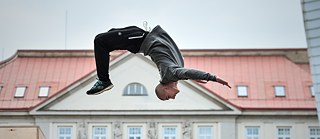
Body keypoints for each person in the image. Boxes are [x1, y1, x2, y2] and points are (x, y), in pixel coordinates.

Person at [86, 25, 231, 100]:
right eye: (168, 98)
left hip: (139, 39)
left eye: (167, 97)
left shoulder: (169, 74)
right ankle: (104, 79)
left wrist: (210, 78)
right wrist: (210, 77)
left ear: (165, 88)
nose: (172, 98)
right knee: (104, 39)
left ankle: (104, 81)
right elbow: (185, 73)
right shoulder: (173, 72)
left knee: (101, 40)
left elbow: (184, 72)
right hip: (139, 38)